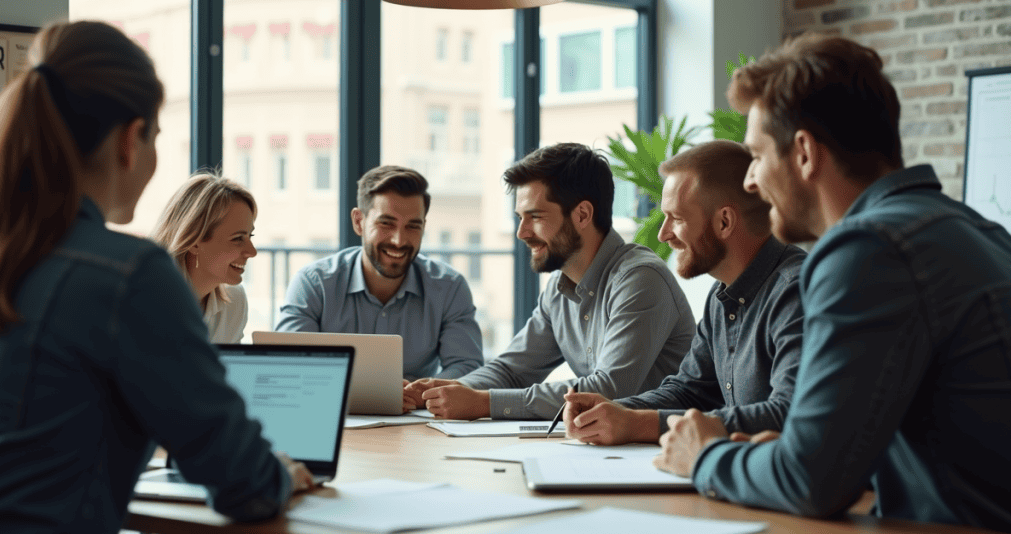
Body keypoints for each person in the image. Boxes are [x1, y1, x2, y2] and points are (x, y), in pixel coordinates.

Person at [654, 33, 1011, 533]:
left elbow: (811, 482)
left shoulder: (867, 249)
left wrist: (705, 455)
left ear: (803, 153)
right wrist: (788, 449)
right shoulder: (974, 229)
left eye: (757, 156)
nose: (751, 181)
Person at [0, 21, 313, 534]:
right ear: (129, 140)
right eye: (157, 138)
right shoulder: (126, 274)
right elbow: (241, 481)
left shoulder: (8, 255)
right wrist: (279, 475)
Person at [405, 142, 696, 420]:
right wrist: (442, 392)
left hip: (658, 451)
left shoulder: (640, 279)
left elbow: (610, 389)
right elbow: (511, 371)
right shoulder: (558, 290)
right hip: (605, 447)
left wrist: (485, 403)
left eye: (534, 216)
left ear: (582, 214)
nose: (522, 232)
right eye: (520, 217)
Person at [563, 140, 805, 445]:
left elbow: (787, 413)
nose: (664, 235)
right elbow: (689, 390)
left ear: (724, 221)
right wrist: (611, 410)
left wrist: (638, 424)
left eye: (676, 218)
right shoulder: (722, 297)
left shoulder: (795, 291)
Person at [276, 165, 483, 380]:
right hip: (335, 411)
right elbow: (290, 364)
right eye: (386, 224)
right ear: (359, 222)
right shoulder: (313, 284)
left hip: (418, 411)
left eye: (413, 226)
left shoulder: (449, 287)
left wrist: (422, 393)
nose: (399, 241)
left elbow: (467, 366)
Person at [152, 172, 258, 343]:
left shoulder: (234, 301)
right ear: (194, 242)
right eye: (238, 238)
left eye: (250, 237)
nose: (252, 252)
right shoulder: (146, 301)